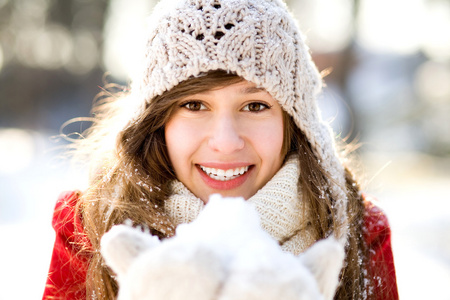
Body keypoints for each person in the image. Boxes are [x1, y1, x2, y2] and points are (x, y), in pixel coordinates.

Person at [43, 0, 399, 299]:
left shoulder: (355, 231)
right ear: (156, 122)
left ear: (295, 123)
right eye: (195, 106)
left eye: (255, 106)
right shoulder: (90, 227)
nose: (226, 142)